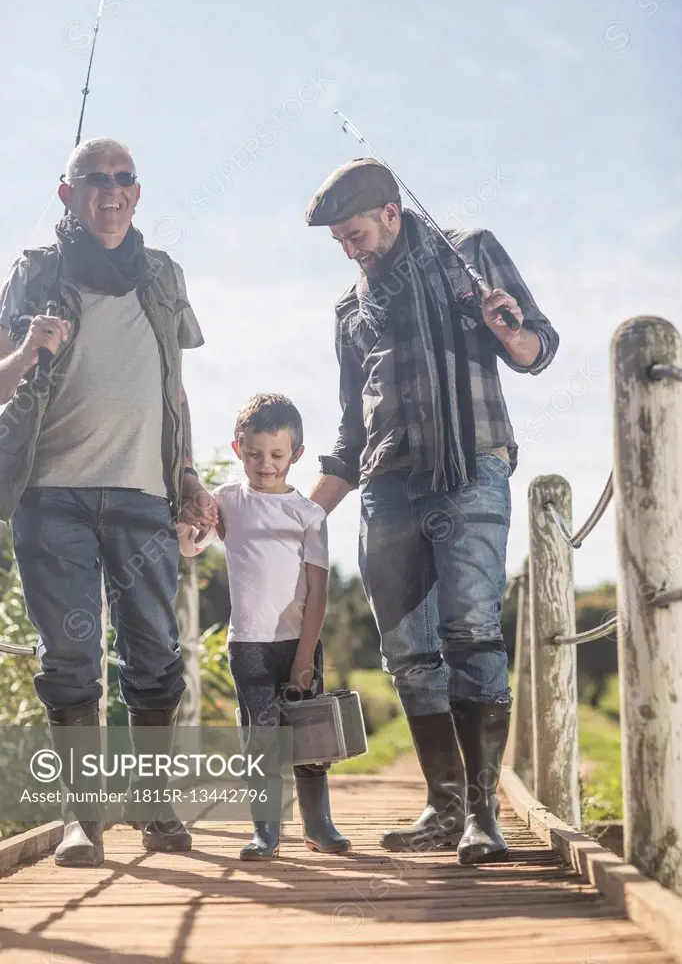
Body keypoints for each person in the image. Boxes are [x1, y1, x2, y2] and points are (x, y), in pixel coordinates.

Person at [305, 158, 559, 864]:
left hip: (471, 465)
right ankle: (444, 806)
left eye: (354, 234)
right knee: (410, 653)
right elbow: (353, 431)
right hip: (387, 483)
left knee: (471, 631)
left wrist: (509, 333)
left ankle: (484, 816)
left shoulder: (468, 252)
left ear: (390, 212)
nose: (349, 250)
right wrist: (302, 512)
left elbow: (539, 346)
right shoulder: (349, 310)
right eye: (338, 244)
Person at [0, 138, 219, 866]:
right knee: (69, 657)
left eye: (125, 179)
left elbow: (175, 385)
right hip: (50, 495)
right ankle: (81, 821)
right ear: (67, 194)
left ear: (137, 191)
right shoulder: (34, 274)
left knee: (154, 653)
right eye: (95, 180)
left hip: (143, 491)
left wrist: (186, 474)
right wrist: (28, 348)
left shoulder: (161, 275)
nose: (112, 191)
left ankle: (156, 811)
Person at [179, 392, 350, 861]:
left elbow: (318, 593)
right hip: (248, 643)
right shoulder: (228, 501)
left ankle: (319, 825)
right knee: (261, 735)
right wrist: (192, 520)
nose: (265, 464)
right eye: (254, 454)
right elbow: (192, 548)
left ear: (296, 454)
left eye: (277, 455)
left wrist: (303, 658)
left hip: (298, 641)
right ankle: (266, 832)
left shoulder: (309, 514)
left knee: (310, 738)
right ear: (238, 449)